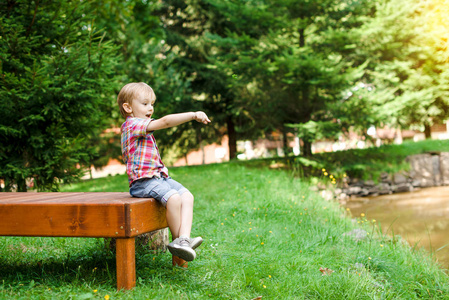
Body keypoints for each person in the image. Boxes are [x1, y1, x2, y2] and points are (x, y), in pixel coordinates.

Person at [117, 82, 211, 262]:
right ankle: (179, 243)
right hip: (142, 182)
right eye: (144, 104)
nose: (150, 108)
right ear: (128, 107)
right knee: (174, 198)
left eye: (152, 104)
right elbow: (166, 122)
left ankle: (183, 240)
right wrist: (193, 115)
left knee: (187, 196)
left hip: (158, 178)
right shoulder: (132, 125)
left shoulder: (141, 125)